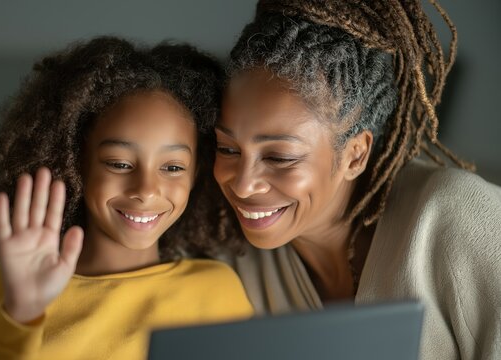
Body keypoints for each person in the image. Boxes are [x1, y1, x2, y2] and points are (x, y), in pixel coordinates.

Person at [213, 1, 501, 359]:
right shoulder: (232, 265)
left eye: (280, 157)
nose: (243, 184)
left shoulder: (455, 218)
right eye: (226, 149)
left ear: (355, 155)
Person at [0, 36, 252, 360]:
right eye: (119, 164)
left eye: (172, 167)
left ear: (196, 173)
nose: (146, 190)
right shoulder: (11, 287)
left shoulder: (216, 290)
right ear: (75, 163)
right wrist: (20, 315)